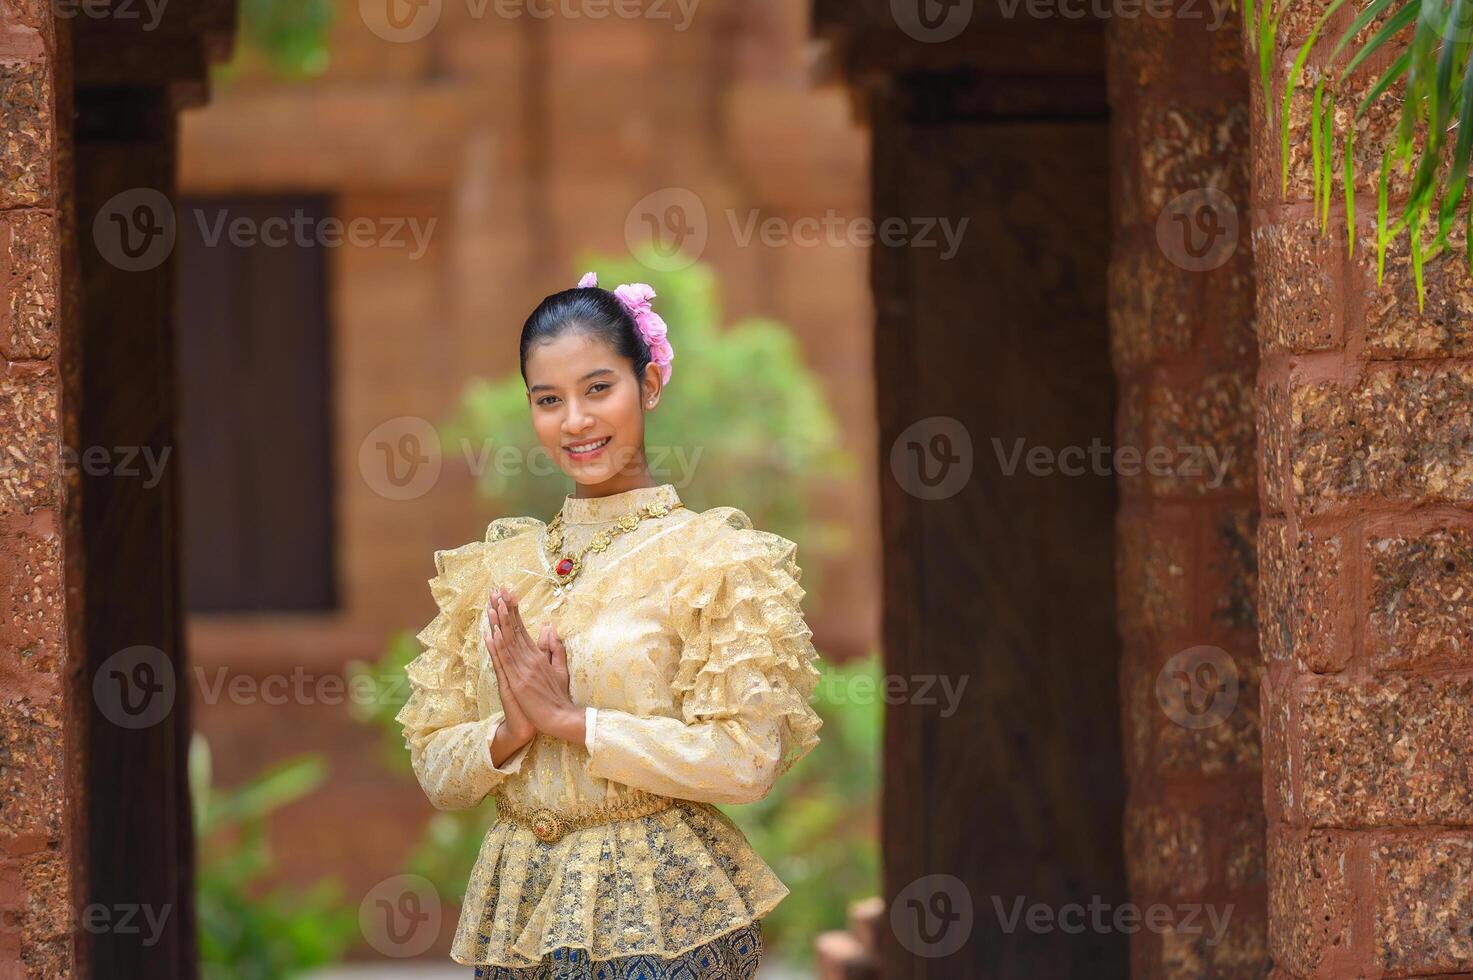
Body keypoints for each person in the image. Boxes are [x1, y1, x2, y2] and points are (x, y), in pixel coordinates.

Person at [395, 271, 824, 978]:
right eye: (548, 399)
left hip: (660, 912)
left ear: (648, 387)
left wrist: (572, 722)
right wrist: (512, 731)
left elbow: (745, 759)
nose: (575, 422)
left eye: (599, 389)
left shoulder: (712, 559)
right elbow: (437, 771)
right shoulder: (495, 569)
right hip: (517, 905)